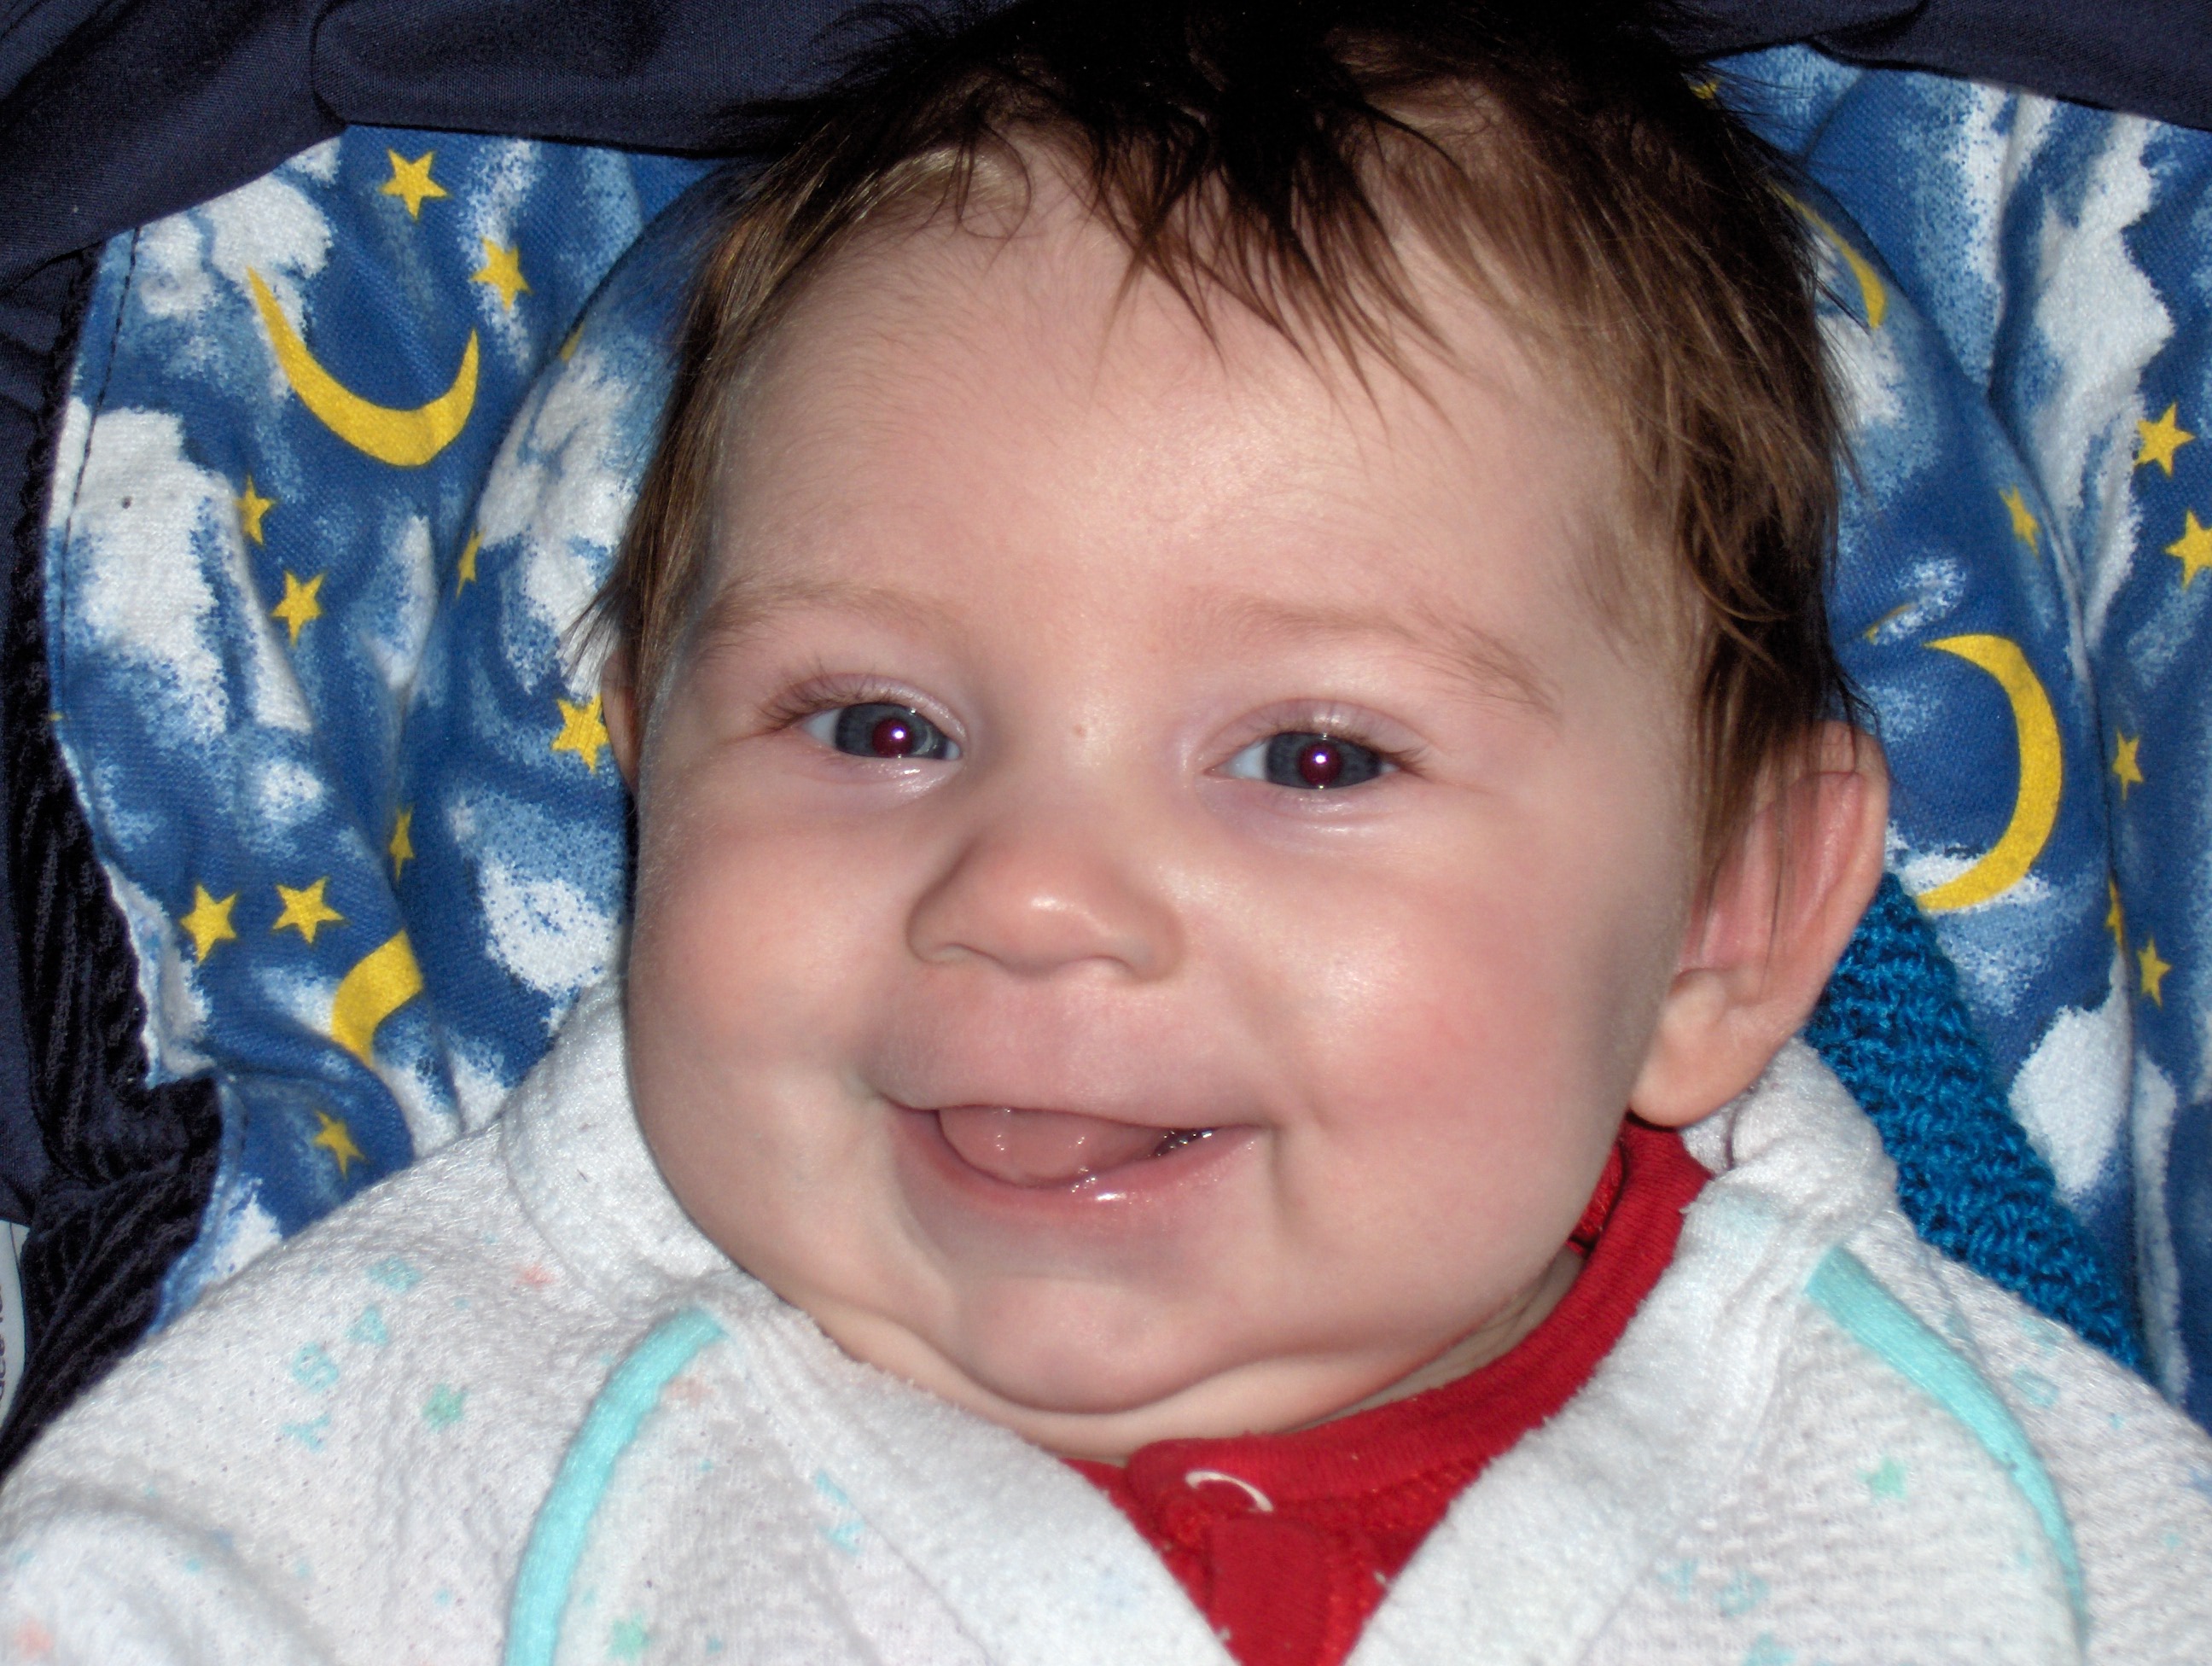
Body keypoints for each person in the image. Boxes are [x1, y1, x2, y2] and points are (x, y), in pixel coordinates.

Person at [3, 1, 2209, 1660]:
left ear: (1724, 917)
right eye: (875, 726)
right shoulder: (416, 1423)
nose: (1032, 894)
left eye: (1314, 759)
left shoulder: (1995, 1492)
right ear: (644, 746)